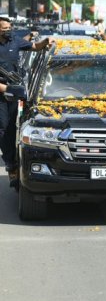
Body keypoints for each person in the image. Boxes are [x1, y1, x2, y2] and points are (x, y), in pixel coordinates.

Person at [0, 17, 54, 184]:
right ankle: (11, 165)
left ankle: (17, 163)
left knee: (16, 129)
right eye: (4, 28)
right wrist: (6, 89)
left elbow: (35, 47)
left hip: (16, 92)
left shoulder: (15, 41)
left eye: (9, 27)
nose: (8, 30)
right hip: (2, 94)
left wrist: (46, 41)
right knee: (3, 129)